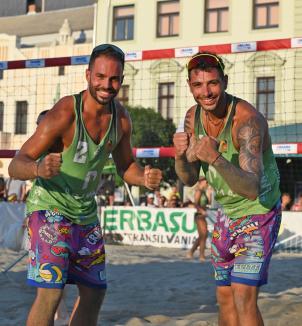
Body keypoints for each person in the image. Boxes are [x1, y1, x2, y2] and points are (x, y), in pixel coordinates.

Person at [8, 43, 162, 326]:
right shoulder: (66, 112)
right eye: (100, 77)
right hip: (50, 208)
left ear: (121, 80)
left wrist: (144, 178)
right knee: (51, 293)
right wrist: (38, 168)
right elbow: (15, 164)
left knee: (94, 294)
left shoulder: (121, 119)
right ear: (88, 75)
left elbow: (126, 167)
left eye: (114, 78)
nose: (107, 85)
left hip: (85, 213)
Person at [173, 51, 281, 326]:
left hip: (259, 210)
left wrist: (216, 159)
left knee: (243, 295)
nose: (206, 92)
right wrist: (179, 155)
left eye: (213, 83)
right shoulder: (192, 117)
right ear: (190, 87)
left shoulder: (247, 120)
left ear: (225, 81)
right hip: (226, 211)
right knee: (223, 296)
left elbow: (252, 189)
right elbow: (188, 179)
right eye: (198, 85)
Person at [186, 177, 211, 262]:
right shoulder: (198, 191)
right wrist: (202, 210)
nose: (207, 183)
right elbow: (195, 204)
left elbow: (208, 203)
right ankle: (201, 255)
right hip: (199, 215)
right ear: (201, 182)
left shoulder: (204, 191)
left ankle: (191, 252)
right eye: (206, 181)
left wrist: (209, 194)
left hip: (202, 215)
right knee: (204, 235)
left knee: (203, 235)